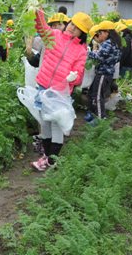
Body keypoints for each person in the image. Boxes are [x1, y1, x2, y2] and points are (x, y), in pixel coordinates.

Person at [30, 9, 92, 172]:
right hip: (43, 86)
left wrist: (74, 77)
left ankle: (51, 160)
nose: (72, 27)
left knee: (56, 124)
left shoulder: (81, 50)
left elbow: (79, 77)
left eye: (77, 27)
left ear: (82, 33)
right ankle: (47, 155)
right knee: (44, 123)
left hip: (59, 92)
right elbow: (42, 28)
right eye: (72, 23)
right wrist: (39, 12)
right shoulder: (55, 35)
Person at [85, 21, 122, 122]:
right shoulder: (116, 43)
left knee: (97, 96)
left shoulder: (107, 43)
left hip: (103, 73)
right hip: (108, 73)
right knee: (93, 93)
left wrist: (88, 52)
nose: (100, 35)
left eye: (100, 33)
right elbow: (115, 58)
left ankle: (101, 119)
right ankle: (93, 113)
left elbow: (99, 57)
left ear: (107, 32)